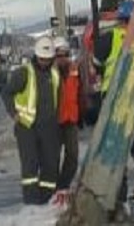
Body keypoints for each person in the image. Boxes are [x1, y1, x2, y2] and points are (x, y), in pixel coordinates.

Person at [92, 0, 134, 212]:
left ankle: (117, 195)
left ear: (120, 19)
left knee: (115, 147)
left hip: (114, 100)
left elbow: (96, 63)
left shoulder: (109, 38)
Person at [1, 35, 61, 205]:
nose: (44, 62)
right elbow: (6, 93)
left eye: (48, 59)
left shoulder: (55, 75)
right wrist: (14, 114)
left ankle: (46, 201)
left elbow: (59, 99)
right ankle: (32, 204)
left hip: (48, 128)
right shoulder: (23, 73)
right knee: (30, 168)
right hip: (27, 128)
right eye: (42, 59)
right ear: (36, 56)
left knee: (50, 166)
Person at [52, 36, 83, 205]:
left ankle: (63, 186)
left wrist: (82, 115)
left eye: (64, 54)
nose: (62, 58)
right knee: (52, 158)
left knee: (73, 156)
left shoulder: (74, 70)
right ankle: (53, 190)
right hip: (54, 122)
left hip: (71, 119)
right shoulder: (48, 74)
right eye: (58, 55)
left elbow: (80, 93)